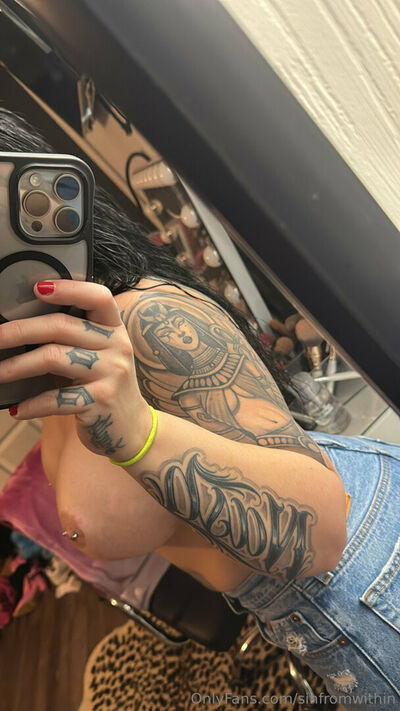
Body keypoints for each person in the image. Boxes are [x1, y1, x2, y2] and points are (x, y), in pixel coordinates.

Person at [1, 108, 399, 708]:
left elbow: (321, 534)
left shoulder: (146, 318)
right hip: (309, 609)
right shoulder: (60, 363)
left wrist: (138, 433)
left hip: (368, 582)